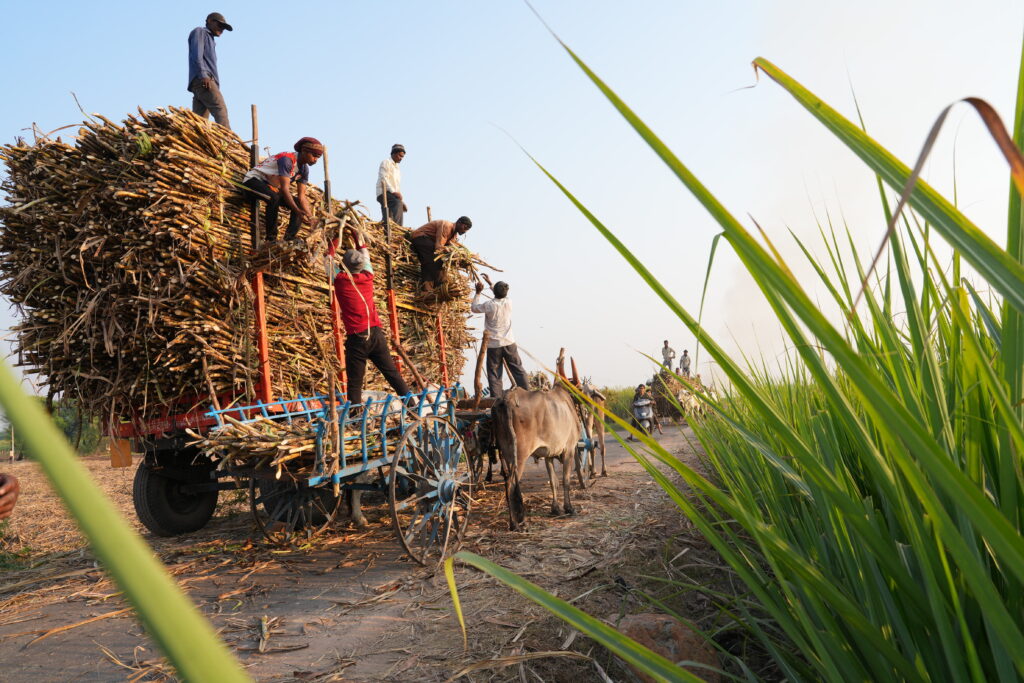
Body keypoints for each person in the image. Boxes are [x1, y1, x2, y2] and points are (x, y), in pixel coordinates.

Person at [333, 229, 411, 406]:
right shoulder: (368, 276)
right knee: (392, 373)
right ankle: (412, 405)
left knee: (355, 382)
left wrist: (335, 236)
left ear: (343, 266)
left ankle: (354, 414)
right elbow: (365, 253)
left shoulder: (340, 280)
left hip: (357, 338)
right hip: (376, 334)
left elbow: (327, 258)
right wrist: (355, 235)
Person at [243, 137, 323, 242]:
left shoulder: (304, 169)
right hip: (253, 181)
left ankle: (289, 239)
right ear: (304, 151)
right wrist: (297, 211)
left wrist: (310, 217)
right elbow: (285, 189)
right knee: (274, 198)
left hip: (270, 187)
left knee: (298, 203)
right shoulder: (287, 160)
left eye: (318, 157)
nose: (315, 160)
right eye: (314, 156)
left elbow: (302, 196)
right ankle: (271, 239)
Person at [471, 281, 529, 398]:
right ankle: (528, 395)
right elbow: (500, 293)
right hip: (509, 342)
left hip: (493, 345)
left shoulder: (489, 305)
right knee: (518, 370)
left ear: (495, 292)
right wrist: (491, 284)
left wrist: (478, 293)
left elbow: (474, 308)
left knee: (495, 375)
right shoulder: (509, 302)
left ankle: (497, 401)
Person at [187, 12, 233, 129]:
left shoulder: (211, 39)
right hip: (204, 80)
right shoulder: (200, 32)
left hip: (201, 82)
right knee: (220, 108)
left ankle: (198, 144)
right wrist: (203, 75)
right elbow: (196, 55)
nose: (221, 29)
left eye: (223, 28)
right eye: (220, 25)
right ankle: (226, 141)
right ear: (209, 21)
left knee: (200, 120)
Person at [409, 216, 472, 293]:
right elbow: (438, 248)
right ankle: (435, 287)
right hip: (420, 237)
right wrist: (447, 250)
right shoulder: (447, 226)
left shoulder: (454, 236)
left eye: (467, 230)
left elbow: (451, 247)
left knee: (435, 263)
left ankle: (435, 288)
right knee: (434, 260)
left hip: (428, 242)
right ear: (459, 222)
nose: (465, 231)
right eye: (465, 227)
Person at [376, 144, 407, 226]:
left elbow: (396, 185)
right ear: (394, 153)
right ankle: (397, 227)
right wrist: (394, 192)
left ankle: (387, 229)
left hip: (391, 193)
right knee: (397, 203)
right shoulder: (386, 162)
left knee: (388, 215)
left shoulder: (397, 168)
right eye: (400, 156)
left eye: (402, 157)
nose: (401, 158)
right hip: (384, 192)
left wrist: (399, 197)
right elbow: (384, 178)